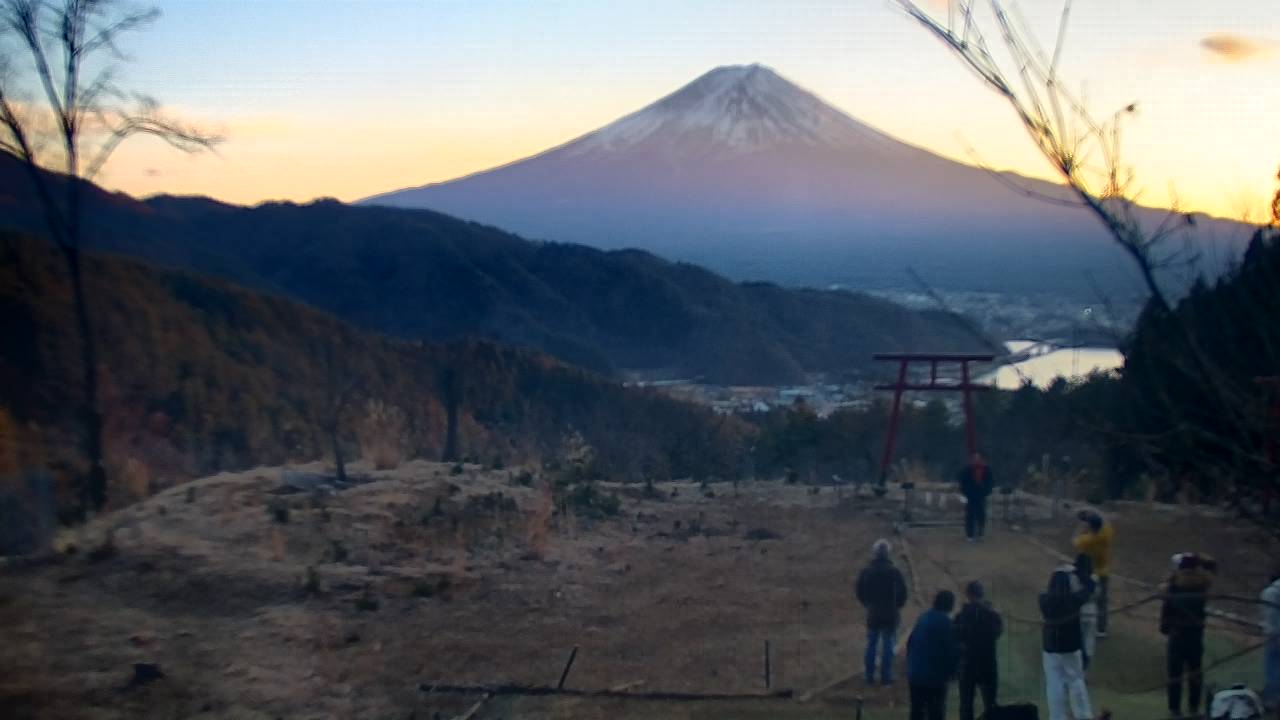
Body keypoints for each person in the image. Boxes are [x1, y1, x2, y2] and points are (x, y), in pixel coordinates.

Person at [1161, 552, 1213, 718]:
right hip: (1196, 634)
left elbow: (1166, 611)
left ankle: (1174, 709)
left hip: (1177, 634)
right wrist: (1201, 558)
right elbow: (1213, 566)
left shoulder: (1173, 586)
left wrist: (1165, 628)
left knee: (1174, 674)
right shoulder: (1202, 585)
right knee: (1195, 672)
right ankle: (1194, 708)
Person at [1041, 565, 1095, 720]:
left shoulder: (1043, 599)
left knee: (1054, 684)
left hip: (1050, 649)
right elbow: (1091, 587)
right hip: (1071, 648)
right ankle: (1083, 716)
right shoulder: (1074, 600)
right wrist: (1079, 572)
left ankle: (1057, 717)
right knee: (1076, 681)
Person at [856, 538, 909, 685]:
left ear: (874, 553)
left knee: (871, 644)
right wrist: (897, 606)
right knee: (888, 645)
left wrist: (867, 604)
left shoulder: (867, 571)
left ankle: (869, 675)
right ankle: (886, 676)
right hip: (890, 612)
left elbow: (860, 591)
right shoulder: (894, 572)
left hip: (873, 611)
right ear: (888, 554)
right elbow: (903, 593)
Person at [954, 580, 1004, 720]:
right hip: (988, 664)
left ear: (968, 595)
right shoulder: (992, 615)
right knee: (991, 704)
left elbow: (956, 637)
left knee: (966, 704)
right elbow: (998, 633)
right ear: (982, 594)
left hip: (967, 664)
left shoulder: (961, 616)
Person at [907, 590, 960, 720]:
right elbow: (951, 650)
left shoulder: (923, 618)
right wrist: (954, 672)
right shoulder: (945, 623)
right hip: (934, 677)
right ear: (950, 605)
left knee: (916, 711)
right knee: (936, 712)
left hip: (915, 673)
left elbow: (910, 643)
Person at [1072, 510, 1114, 636]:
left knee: (1086, 598)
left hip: (1089, 573)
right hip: (1104, 571)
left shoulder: (1086, 541)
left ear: (1090, 526)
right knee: (1102, 601)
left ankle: (1084, 623)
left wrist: (1081, 525)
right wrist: (1094, 515)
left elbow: (1074, 540)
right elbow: (1106, 521)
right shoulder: (1106, 534)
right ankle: (1101, 629)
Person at [958, 452, 995, 542]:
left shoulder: (986, 469)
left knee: (981, 515)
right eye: (974, 458)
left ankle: (980, 533)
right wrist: (966, 493)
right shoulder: (967, 470)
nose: (976, 460)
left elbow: (990, 482)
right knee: (970, 515)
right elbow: (962, 482)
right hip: (970, 496)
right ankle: (969, 535)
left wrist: (986, 491)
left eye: (978, 458)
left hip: (981, 496)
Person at [1074, 553, 1099, 670]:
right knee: (1088, 640)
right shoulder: (1095, 578)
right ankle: (1084, 668)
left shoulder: (1074, 578)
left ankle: (1078, 667)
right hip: (1092, 613)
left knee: (1078, 640)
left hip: (1078, 613)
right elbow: (1098, 595)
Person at [1262, 566, 1280, 714]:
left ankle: (1273, 700)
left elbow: (1268, 617)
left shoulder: (1269, 593)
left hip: (1273, 635)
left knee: (1272, 668)